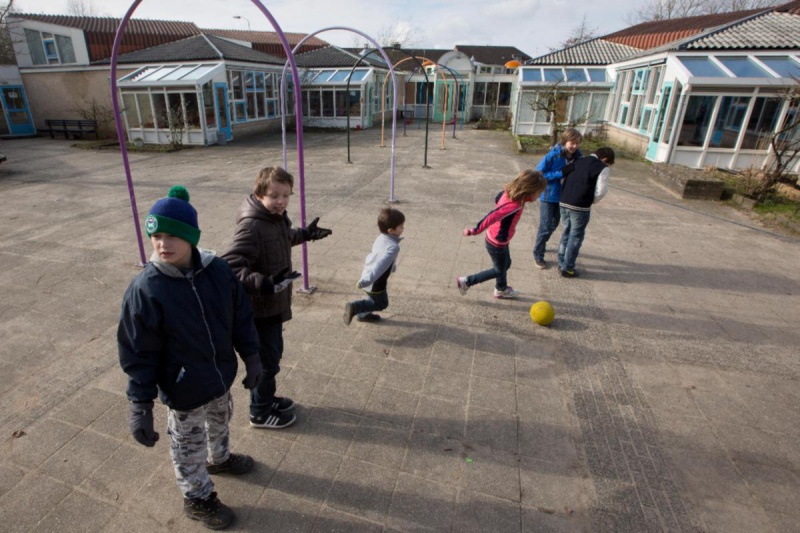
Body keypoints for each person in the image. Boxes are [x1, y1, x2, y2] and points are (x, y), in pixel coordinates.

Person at [118, 185, 262, 530]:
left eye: (173, 236)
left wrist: (252, 355)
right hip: (181, 389)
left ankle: (220, 459)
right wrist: (141, 402)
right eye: (157, 236)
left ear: (192, 237)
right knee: (187, 443)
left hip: (218, 377)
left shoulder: (218, 272)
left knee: (221, 419)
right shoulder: (147, 289)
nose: (163, 244)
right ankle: (196, 496)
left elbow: (240, 314)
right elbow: (138, 349)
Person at [222, 167, 331, 430]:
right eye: (274, 196)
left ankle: (267, 398)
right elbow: (231, 265)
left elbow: (282, 239)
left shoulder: (275, 219)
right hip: (259, 309)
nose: (281, 201)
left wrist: (305, 234)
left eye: (286, 195)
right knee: (267, 362)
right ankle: (259, 412)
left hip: (272, 305)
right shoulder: (252, 225)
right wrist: (264, 283)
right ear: (260, 195)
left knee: (273, 355)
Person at [456, 170, 546, 299]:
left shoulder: (509, 194)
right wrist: (474, 230)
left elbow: (498, 198)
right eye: (539, 193)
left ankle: (501, 288)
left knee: (505, 264)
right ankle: (466, 281)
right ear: (530, 191)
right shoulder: (513, 205)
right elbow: (492, 216)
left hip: (498, 239)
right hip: (497, 243)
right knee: (499, 269)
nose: (540, 196)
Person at [557, 147, 615, 278]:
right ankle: (568, 267)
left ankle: (561, 262)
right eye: (607, 163)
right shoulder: (602, 167)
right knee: (575, 236)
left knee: (565, 232)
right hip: (580, 206)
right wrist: (590, 200)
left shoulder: (577, 160)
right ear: (605, 159)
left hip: (564, 201)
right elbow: (601, 191)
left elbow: (563, 177)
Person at [343, 207, 405, 325]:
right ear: (391, 230)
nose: (403, 228)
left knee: (374, 300)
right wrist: (366, 281)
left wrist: (392, 266)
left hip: (368, 273)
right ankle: (355, 307)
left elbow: (379, 255)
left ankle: (363, 315)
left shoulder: (381, 237)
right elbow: (380, 266)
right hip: (375, 281)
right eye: (401, 226)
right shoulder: (394, 246)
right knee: (381, 303)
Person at [533, 128, 583, 269]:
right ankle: (538, 253)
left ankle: (541, 242)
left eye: (577, 143)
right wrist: (560, 173)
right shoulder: (553, 155)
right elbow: (539, 174)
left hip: (565, 197)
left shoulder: (578, 157)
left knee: (553, 225)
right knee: (545, 226)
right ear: (565, 141)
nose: (574, 146)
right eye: (572, 143)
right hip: (549, 196)